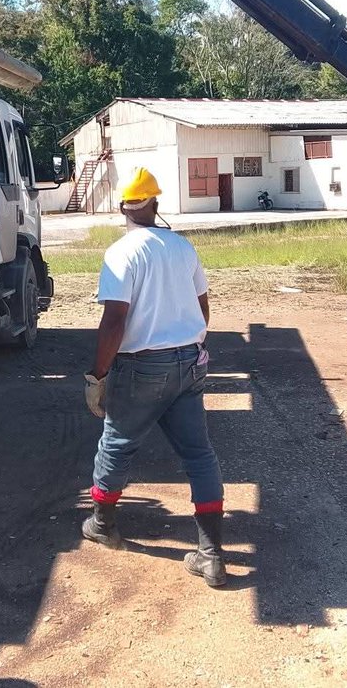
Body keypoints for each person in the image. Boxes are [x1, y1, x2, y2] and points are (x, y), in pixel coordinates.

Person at [81, 167, 226, 587]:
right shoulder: (182, 247)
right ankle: (211, 554)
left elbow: (114, 321)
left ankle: (103, 524)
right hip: (188, 362)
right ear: (156, 205)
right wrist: (189, 344)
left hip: (142, 366)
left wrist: (98, 374)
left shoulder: (122, 253)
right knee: (199, 455)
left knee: (117, 443)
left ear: (121, 208)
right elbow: (203, 309)